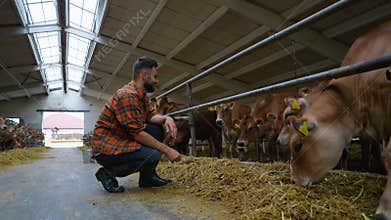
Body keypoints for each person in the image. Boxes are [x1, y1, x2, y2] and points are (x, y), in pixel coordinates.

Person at [92, 56, 181, 193]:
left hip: (122, 140)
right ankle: (108, 172)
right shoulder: (127, 95)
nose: (157, 81)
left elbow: (151, 115)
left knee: (157, 129)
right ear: (144, 75)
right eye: (155, 77)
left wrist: (166, 118)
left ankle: (147, 178)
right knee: (154, 154)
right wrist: (167, 150)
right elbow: (137, 134)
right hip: (107, 148)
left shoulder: (141, 95)